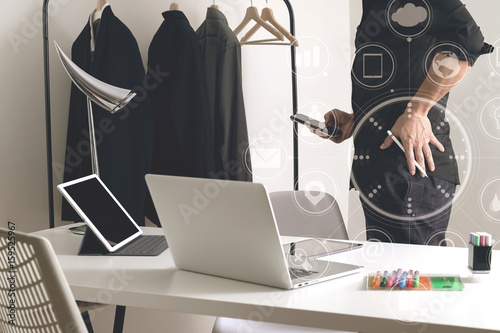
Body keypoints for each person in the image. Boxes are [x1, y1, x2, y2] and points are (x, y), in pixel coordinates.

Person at [315, 0, 493, 245]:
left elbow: (468, 41)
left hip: (410, 170)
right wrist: (357, 119)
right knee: (385, 279)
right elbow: (399, 76)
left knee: (410, 279)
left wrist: (417, 111)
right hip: (378, 171)